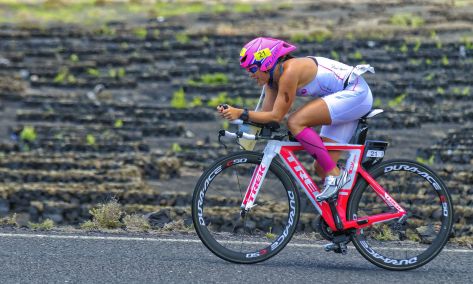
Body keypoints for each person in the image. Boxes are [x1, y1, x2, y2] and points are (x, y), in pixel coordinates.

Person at [217, 37, 374, 202]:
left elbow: (277, 116)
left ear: (267, 63)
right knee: (322, 167)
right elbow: (267, 118)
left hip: (356, 94)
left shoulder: (290, 72)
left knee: (295, 122)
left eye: (252, 68)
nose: (250, 74)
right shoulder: (271, 82)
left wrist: (241, 113)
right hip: (342, 100)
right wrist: (237, 124)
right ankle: (345, 220)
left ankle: (336, 176)